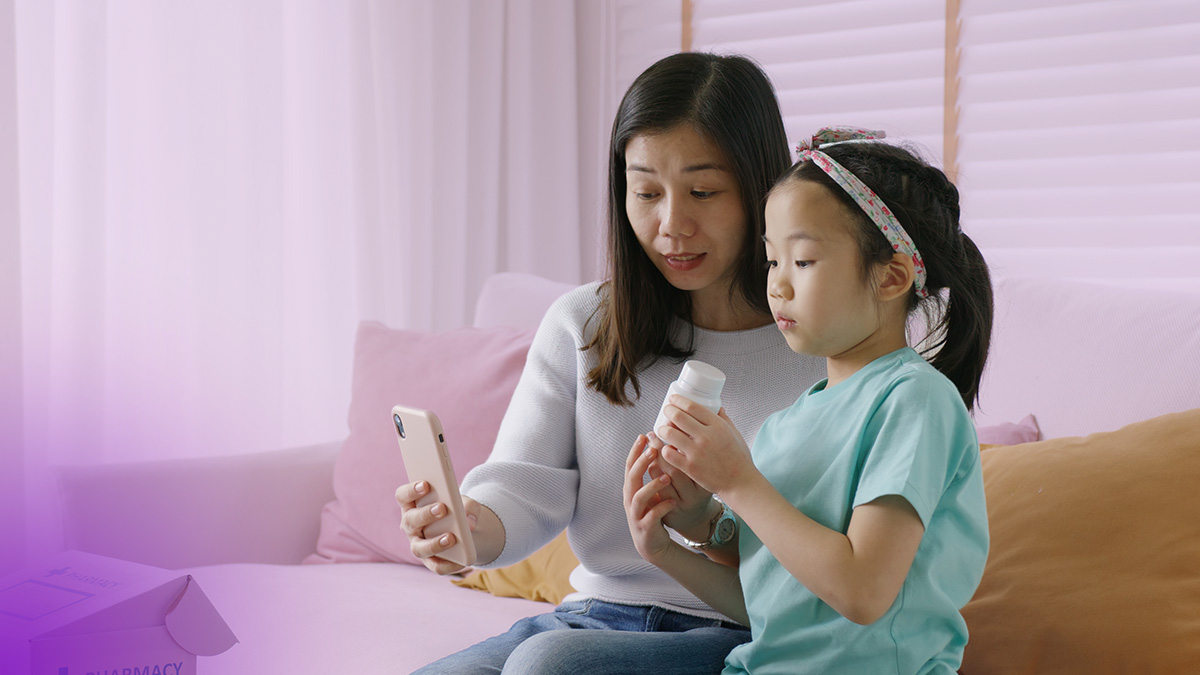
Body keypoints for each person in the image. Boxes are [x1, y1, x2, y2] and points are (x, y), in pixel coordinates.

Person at [397, 53, 826, 674]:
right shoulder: (585, 324)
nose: (671, 225)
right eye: (646, 191)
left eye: (703, 191)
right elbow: (521, 487)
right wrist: (462, 530)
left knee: (550, 666)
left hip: (744, 632)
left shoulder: (823, 343)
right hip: (595, 616)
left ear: (761, 188)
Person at [624, 127, 993, 674]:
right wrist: (676, 538)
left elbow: (862, 592)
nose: (776, 285)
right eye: (772, 261)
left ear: (892, 277)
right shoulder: (784, 425)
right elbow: (774, 613)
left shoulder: (915, 400)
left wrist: (738, 481)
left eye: (803, 261)